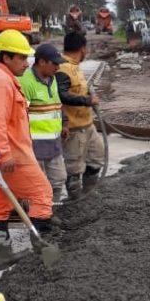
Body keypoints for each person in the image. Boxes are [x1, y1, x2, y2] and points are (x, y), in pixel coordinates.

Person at [0, 29, 54, 268]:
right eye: (21, 58)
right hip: (10, 155)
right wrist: (3, 153)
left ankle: (3, 254)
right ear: (6, 57)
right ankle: (43, 245)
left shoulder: (0, 78)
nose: (26, 63)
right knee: (42, 193)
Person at [57, 30, 104, 200]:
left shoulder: (74, 66)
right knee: (74, 168)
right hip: (74, 128)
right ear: (82, 49)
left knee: (97, 158)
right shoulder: (63, 68)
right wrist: (86, 100)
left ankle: (89, 194)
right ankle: (76, 200)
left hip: (87, 125)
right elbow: (61, 94)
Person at [19, 42, 68, 205]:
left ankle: (50, 211)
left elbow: (57, 103)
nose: (57, 67)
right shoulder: (26, 82)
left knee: (59, 179)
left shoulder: (52, 80)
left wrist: (64, 124)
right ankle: (38, 217)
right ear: (41, 62)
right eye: (54, 63)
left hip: (54, 143)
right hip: (34, 147)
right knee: (36, 186)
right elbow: (20, 116)